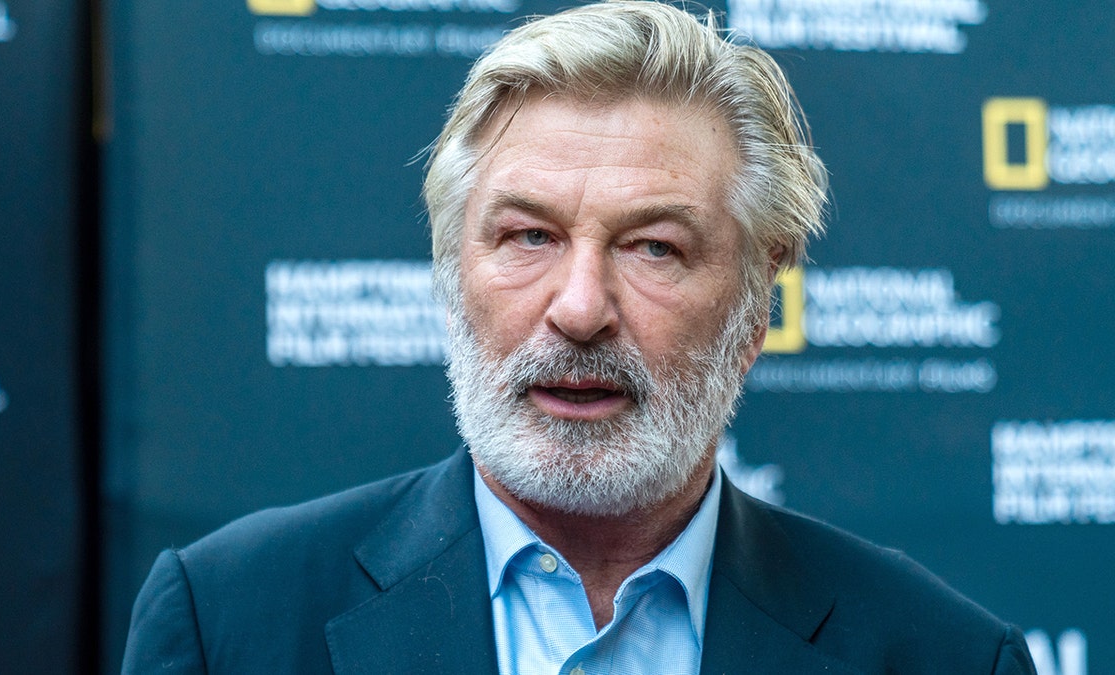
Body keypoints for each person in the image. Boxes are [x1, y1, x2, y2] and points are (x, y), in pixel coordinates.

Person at [122, 2, 1036, 672]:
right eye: (529, 236)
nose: (580, 307)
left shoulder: (940, 655)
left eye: (653, 247)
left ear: (758, 305)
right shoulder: (229, 621)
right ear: (451, 272)